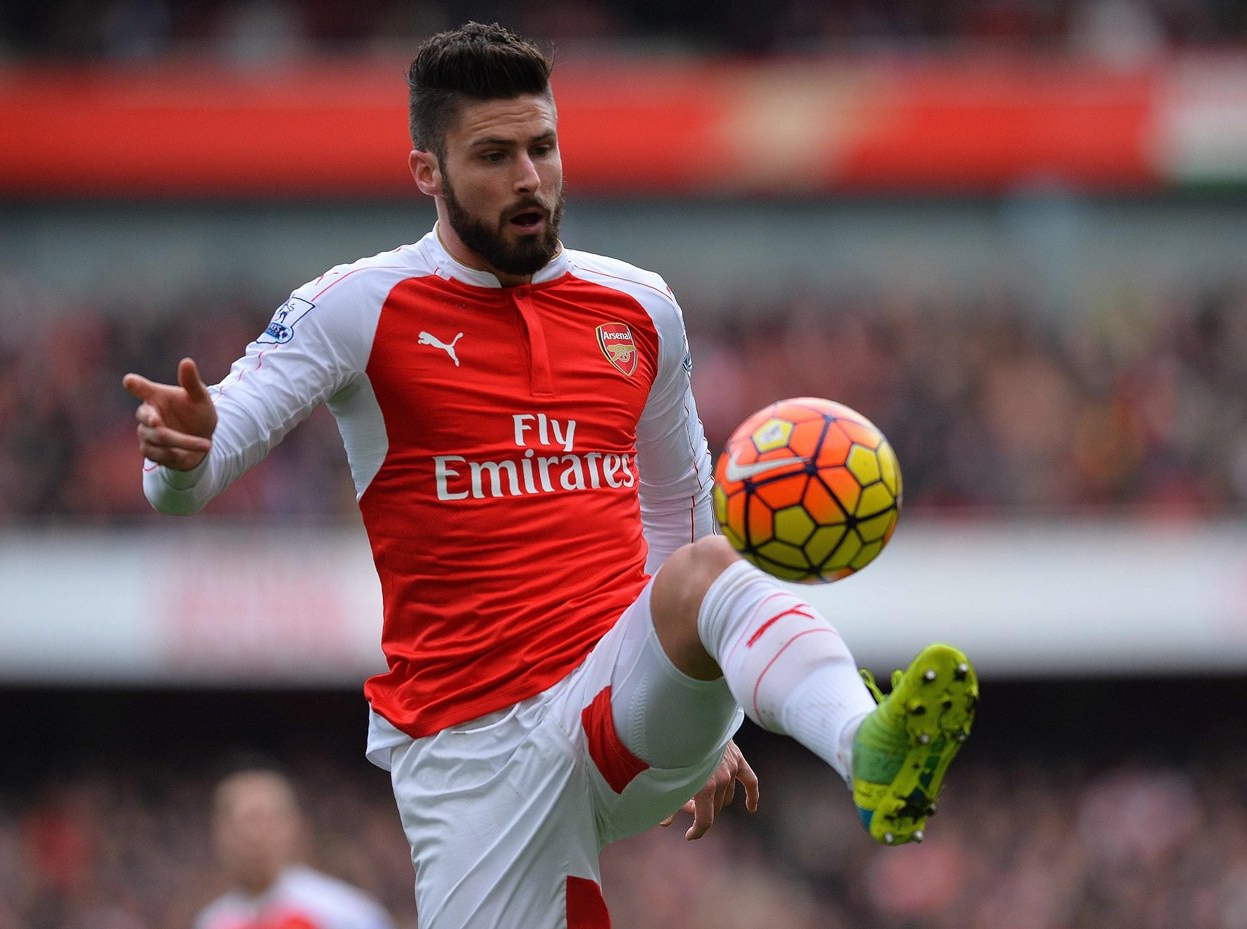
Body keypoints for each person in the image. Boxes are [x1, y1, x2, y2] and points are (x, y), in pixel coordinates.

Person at [126, 22, 978, 928]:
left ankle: (867, 745)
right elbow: (198, 466)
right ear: (428, 172)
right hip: (470, 752)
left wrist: (704, 689)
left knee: (712, 570)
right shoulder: (358, 306)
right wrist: (179, 456)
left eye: (543, 147)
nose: (529, 177)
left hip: (613, 696)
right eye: (494, 155)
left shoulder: (640, 308)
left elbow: (680, 508)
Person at [195, 765, 396, 929]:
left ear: (294, 826)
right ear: (219, 833)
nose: (253, 836)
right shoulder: (213, 921)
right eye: (241, 823)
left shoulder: (344, 913)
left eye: (264, 820)